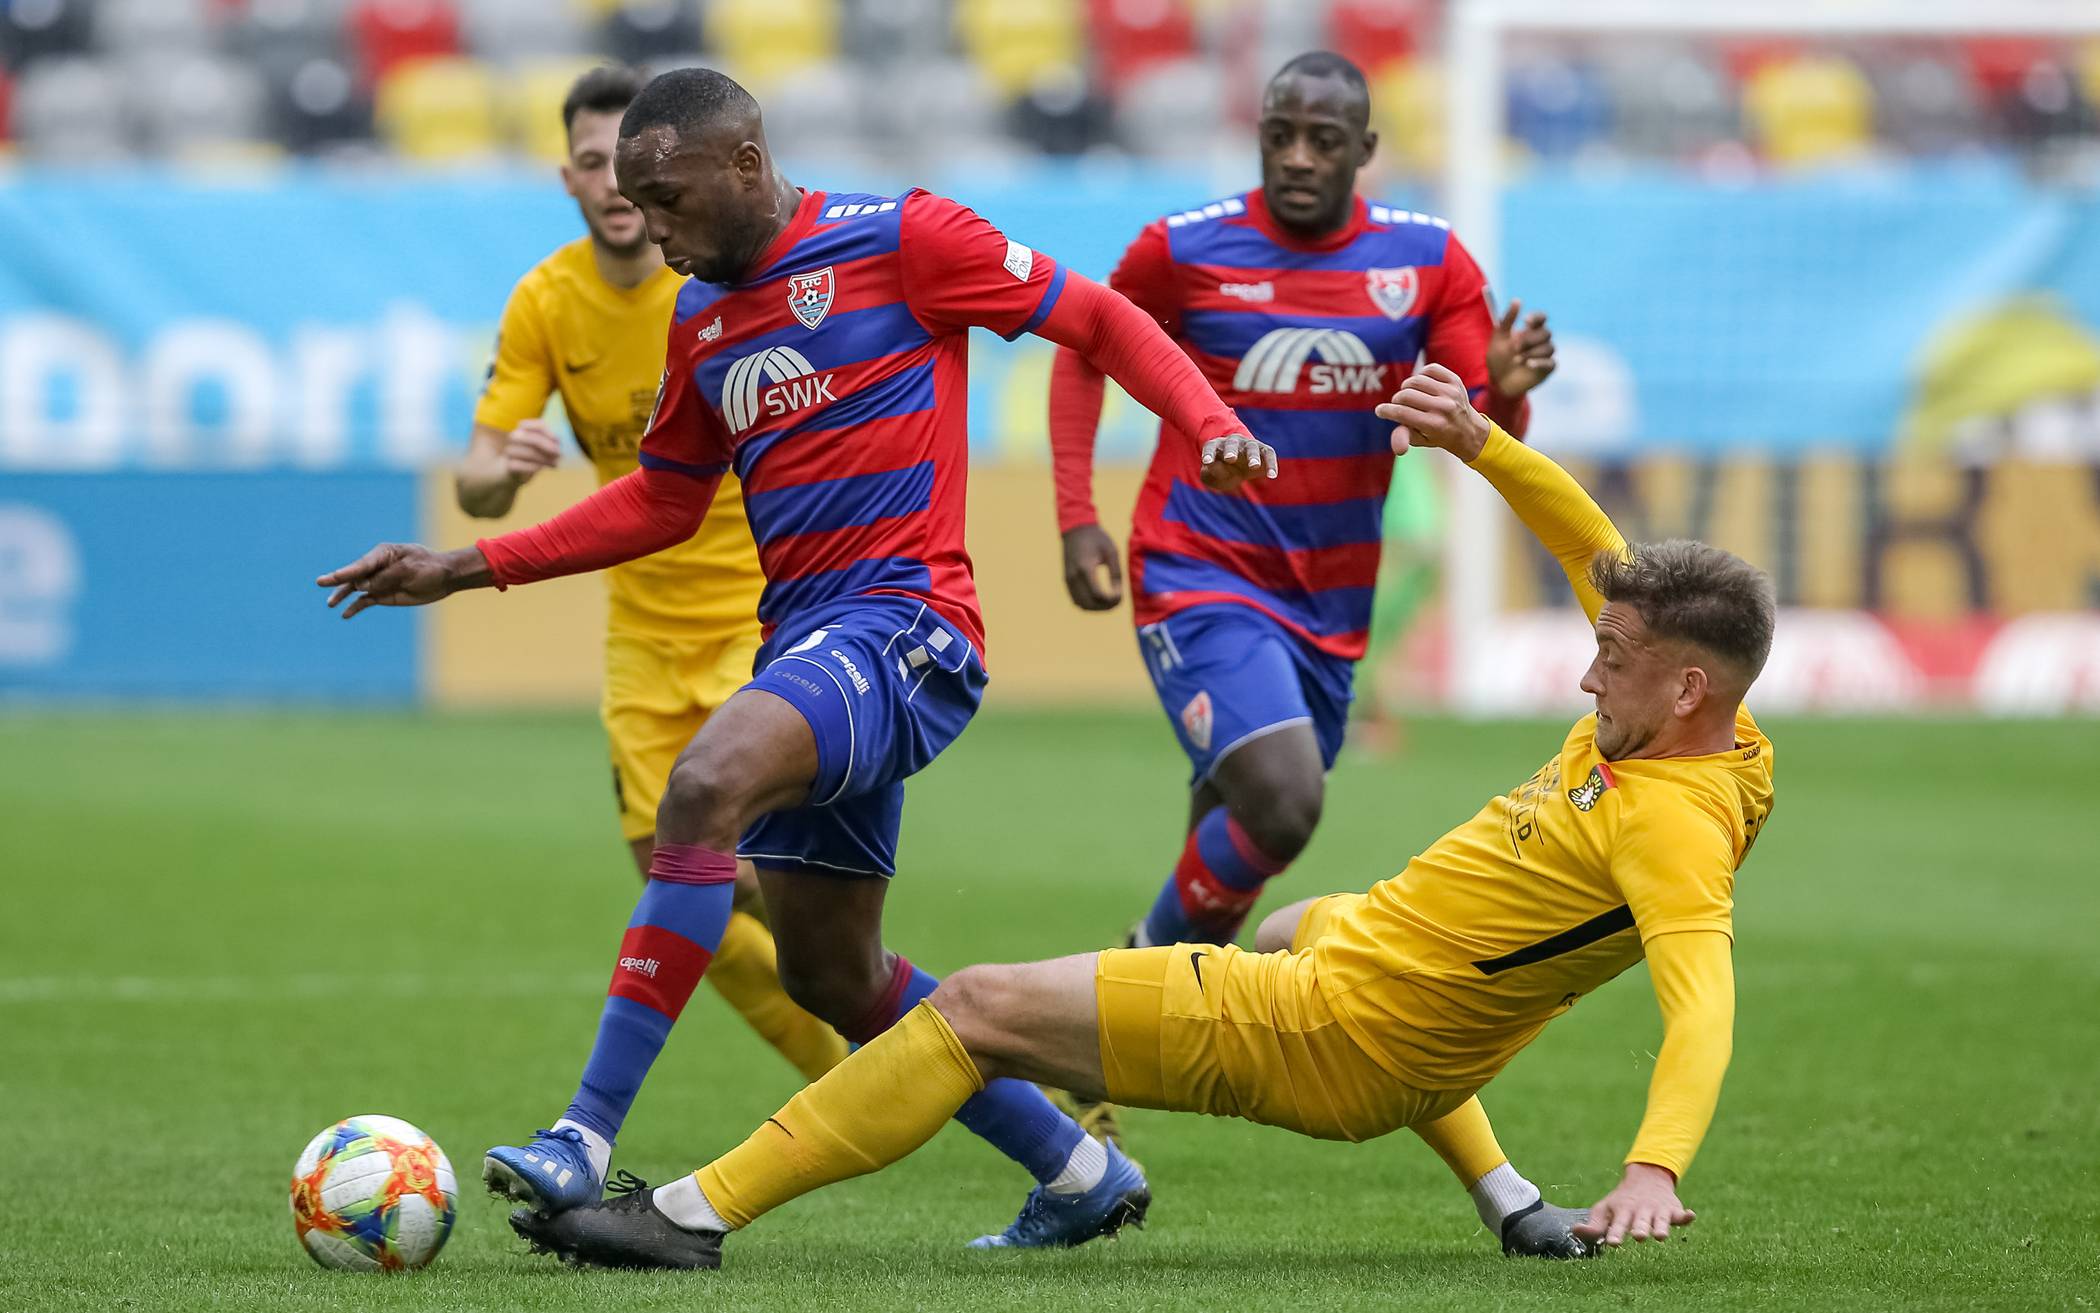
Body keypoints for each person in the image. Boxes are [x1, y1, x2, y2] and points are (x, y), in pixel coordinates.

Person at [502, 363, 1775, 1272]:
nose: (1586, 673)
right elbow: (1595, 545)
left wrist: (1654, 1164)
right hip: (1390, 991)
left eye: (1612, 658)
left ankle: (690, 1213)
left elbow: (1704, 1001)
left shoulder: (1674, 823)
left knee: (973, 1008)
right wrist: (1482, 442)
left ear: (1685, 686)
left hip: (1329, 1029)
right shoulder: (1701, 721)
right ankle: (1510, 1199)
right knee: (1291, 916)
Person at [317, 67, 1278, 1249]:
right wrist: (466, 566)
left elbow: (1097, 317)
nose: (653, 231)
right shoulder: (701, 320)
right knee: (833, 973)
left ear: (745, 163)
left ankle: (582, 1136)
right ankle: (1076, 1166)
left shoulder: (906, 239)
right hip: (814, 642)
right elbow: (663, 501)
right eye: (637, 205)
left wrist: (1211, 421)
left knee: (704, 784)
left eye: (668, 200)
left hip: (909, 625)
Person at [1048, 51, 1556, 957]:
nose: (1297, 157)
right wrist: (1076, 513)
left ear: (1364, 149)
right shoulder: (1183, 249)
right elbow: (1085, 344)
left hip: (1330, 601)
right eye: (1279, 136)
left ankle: (1135, 1004)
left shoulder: (1428, 260)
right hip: (1198, 565)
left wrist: (1508, 399)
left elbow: (1470, 421)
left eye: (1322, 140)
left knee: (1236, 831)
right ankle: (1127, 971)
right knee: (1285, 801)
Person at [459, 64, 845, 1089]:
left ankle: (907, 1039)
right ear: (571, 177)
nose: (614, 188)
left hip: (755, 620)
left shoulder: (712, 275)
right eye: (592, 164)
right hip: (640, 637)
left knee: (741, 882)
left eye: (627, 167)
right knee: (690, 904)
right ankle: (852, 1067)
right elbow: (476, 480)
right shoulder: (547, 302)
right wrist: (501, 473)